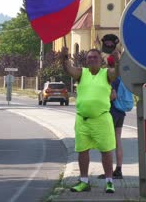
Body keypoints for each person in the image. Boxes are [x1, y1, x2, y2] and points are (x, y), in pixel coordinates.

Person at [61, 47, 120, 194]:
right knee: (82, 151)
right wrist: (64, 58)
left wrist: (118, 60)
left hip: (102, 119)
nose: (92, 60)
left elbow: (117, 72)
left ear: (101, 60)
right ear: (86, 61)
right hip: (83, 120)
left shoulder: (106, 73)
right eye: (89, 58)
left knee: (106, 151)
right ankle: (84, 182)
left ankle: (109, 182)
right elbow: (69, 69)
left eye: (95, 57)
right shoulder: (82, 73)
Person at [98, 55, 126, 180]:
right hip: (120, 111)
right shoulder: (122, 77)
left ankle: (108, 171)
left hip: (111, 111)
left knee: (107, 142)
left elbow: (112, 95)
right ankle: (118, 170)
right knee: (118, 140)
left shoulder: (112, 77)